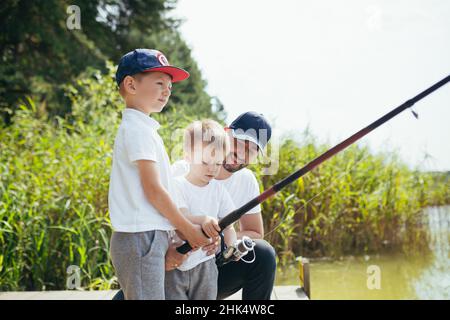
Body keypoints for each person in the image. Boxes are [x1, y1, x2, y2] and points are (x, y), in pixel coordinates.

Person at [108, 49, 209, 300]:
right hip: (140, 238)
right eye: (159, 83)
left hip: (149, 236)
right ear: (131, 84)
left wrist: (178, 231)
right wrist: (186, 228)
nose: (167, 91)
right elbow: (153, 190)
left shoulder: (144, 128)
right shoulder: (137, 129)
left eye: (170, 86)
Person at [169, 111, 276, 300]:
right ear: (225, 134)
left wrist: (220, 238)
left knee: (264, 254)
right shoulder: (182, 169)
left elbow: (255, 233)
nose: (241, 154)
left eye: (251, 150)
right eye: (239, 143)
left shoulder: (247, 180)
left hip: (212, 269)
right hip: (173, 265)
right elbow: (159, 222)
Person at [165, 119, 237, 300]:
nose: (212, 169)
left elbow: (229, 223)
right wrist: (204, 220)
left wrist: (231, 247)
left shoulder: (218, 189)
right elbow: (182, 216)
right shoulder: (178, 185)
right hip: (177, 263)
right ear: (188, 156)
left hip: (206, 264)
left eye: (218, 163)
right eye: (205, 162)